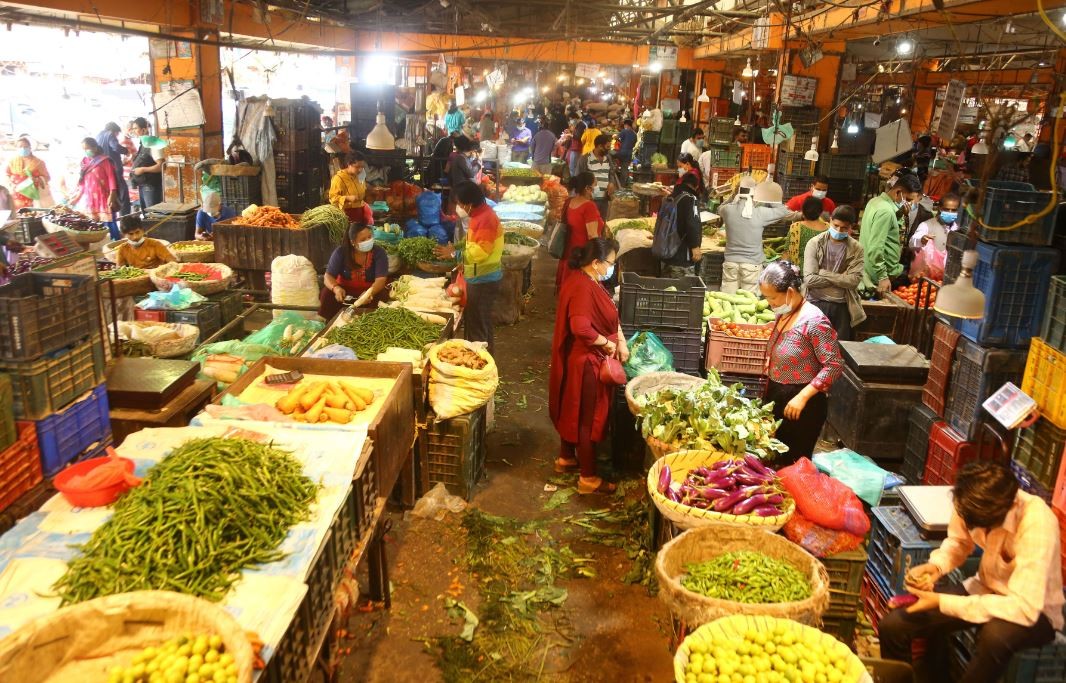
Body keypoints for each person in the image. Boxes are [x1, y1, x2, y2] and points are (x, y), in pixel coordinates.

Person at [879, 461, 1062, 683]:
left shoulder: (1037, 523)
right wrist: (936, 567)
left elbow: (1024, 607)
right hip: (985, 589)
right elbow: (958, 542)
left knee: (994, 637)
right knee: (894, 626)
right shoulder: (970, 498)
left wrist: (940, 601)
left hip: (1033, 610)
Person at [549, 236, 627, 495]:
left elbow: (608, 316)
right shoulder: (583, 288)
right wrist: (606, 343)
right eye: (610, 263)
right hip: (586, 364)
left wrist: (621, 340)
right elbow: (580, 327)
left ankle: (566, 458)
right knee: (587, 418)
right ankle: (588, 478)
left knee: (573, 408)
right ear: (595, 263)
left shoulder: (585, 280)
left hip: (579, 360)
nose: (611, 268)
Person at [760, 260, 843, 463]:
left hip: (802, 406)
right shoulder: (786, 312)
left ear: (790, 291)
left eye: (772, 297)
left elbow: (834, 365)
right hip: (779, 395)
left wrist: (802, 397)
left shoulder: (815, 322)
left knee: (794, 464)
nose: (769, 303)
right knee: (773, 459)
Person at [434, 182, 502, 353]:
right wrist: (455, 248)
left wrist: (454, 256)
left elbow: (480, 251)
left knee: (477, 328)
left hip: (484, 281)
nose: (458, 207)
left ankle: (477, 366)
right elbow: (471, 241)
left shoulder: (485, 219)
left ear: (469, 203)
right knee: (481, 322)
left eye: (459, 203)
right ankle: (487, 359)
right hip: (479, 277)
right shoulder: (479, 215)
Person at [802, 205, 866, 341]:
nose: (838, 230)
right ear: (830, 220)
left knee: (839, 350)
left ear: (851, 227)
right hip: (815, 302)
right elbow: (809, 280)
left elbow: (853, 281)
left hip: (841, 305)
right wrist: (841, 279)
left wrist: (823, 272)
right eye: (836, 225)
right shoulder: (814, 243)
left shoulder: (856, 248)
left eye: (844, 228)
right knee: (812, 347)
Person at [719, 180, 795, 294]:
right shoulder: (760, 213)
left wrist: (733, 196)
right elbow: (783, 211)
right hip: (752, 264)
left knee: (727, 299)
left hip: (730, 262)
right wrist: (767, 197)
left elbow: (720, 207)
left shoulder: (727, 210)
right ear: (755, 194)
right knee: (749, 303)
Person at [859, 172, 923, 295]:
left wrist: (899, 213)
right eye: (908, 199)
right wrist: (883, 277)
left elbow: (886, 227)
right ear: (898, 192)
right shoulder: (886, 211)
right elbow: (875, 248)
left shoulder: (875, 201)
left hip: (869, 268)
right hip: (878, 275)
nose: (910, 204)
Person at [317, 223, 389, 320]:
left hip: (370, 292)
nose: (368, 241)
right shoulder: (340, 252)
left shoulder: (379, 252)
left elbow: (381, 280)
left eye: (369, 237)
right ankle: (329, 323)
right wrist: (336, 288)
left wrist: (369, 293)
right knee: (326, 293)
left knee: (383, 295)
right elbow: (328, 276)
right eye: (363, 240)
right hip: (345, 293)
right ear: (353, 242)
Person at [556, 172, 606, 289]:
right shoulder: (589, 207)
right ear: (587, 188)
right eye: (595, 185)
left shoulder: (570, 202)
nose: (596, 188)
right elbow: (592, 236)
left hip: (569, 253)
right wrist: (601, 257)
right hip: (583, 257)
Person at [73, 137, 120, 238]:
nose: (86, 151)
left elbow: (111, 178)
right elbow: (83, 182)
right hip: (90, 199)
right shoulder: (84, 162)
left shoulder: (104, 160)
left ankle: (114, 243)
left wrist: (112, 194)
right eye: (84, 149)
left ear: (94, 147)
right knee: (93, 225)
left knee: (108, 222)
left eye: (87, 148)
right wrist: (77, 197)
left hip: (104, 197)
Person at [659, 173, 703, 278]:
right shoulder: (690, 198)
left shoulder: (670, 197)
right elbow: (692, 223)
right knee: (682, 291)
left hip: (666, 254)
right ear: (695, 186)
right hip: (682, 257)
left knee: (667, 288)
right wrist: (695, 246)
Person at [577, 134, 617, 219]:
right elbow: (578, 178)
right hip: (590, 200)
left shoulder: (608, 158)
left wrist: (611, 183)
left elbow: (611, 173)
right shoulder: (585, 159)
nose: (609, 149)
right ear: (600, 146)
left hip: (604, 199)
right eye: (607, 147)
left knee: (602, 223)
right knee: (590, 223)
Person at [6, 136, 50, 210]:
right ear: (16, 148)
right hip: (15, 196)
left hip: (33, 196)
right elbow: (6, 174)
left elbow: (47, 177)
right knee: (17, 217)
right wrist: (10, 183)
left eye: (26, 146)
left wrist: (36, 180)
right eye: (20, 147)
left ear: (30, 148)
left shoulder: (39, 162)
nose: (23, 148)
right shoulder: (12, 161)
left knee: (31, 215)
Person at [129, 118, 164, 211]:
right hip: (143, 184)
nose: (134, 131)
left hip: (151, 185)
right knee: (146, 214)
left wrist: (143, 169)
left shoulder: (153, 143)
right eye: (133, 128)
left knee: (152, 214)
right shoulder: (143, 143)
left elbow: (161, 166)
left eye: (136, 128)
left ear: (144, 129)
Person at [785, 196, 828, 270]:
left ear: (803, 211)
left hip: (799, 272)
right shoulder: (829, 229)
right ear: (821, 212)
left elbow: (787, 253)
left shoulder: (796, 227)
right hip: (821, 273)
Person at [329, 152, 372, 224]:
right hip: (346, 214)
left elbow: (363, 188)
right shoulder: (339, 178)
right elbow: (332, 198)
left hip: (360, 212)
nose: (360, 170)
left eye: (362, 167)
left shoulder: (360, 175)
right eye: (357, 167)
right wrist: (347, 198)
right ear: (349, 164)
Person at [97, 122, 130, 215]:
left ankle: (112, 218)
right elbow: (115, 147)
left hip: (103, 171)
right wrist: (125, 151)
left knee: (110, 197)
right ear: (113, 130)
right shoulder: (110, 135)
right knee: (123, 196)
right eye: (117, 134)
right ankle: (125, 218)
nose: (117, 136)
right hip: (114, 171)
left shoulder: (98, 135)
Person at [614, 119, 637, 185]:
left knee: (613, 162)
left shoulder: (624, 131)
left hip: (622, 152)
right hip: (629, 153)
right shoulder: (634, 134)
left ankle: (618, 182)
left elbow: (618, 138)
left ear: (626, 125)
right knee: (625, 168)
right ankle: (623, 184)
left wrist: (615, 136)